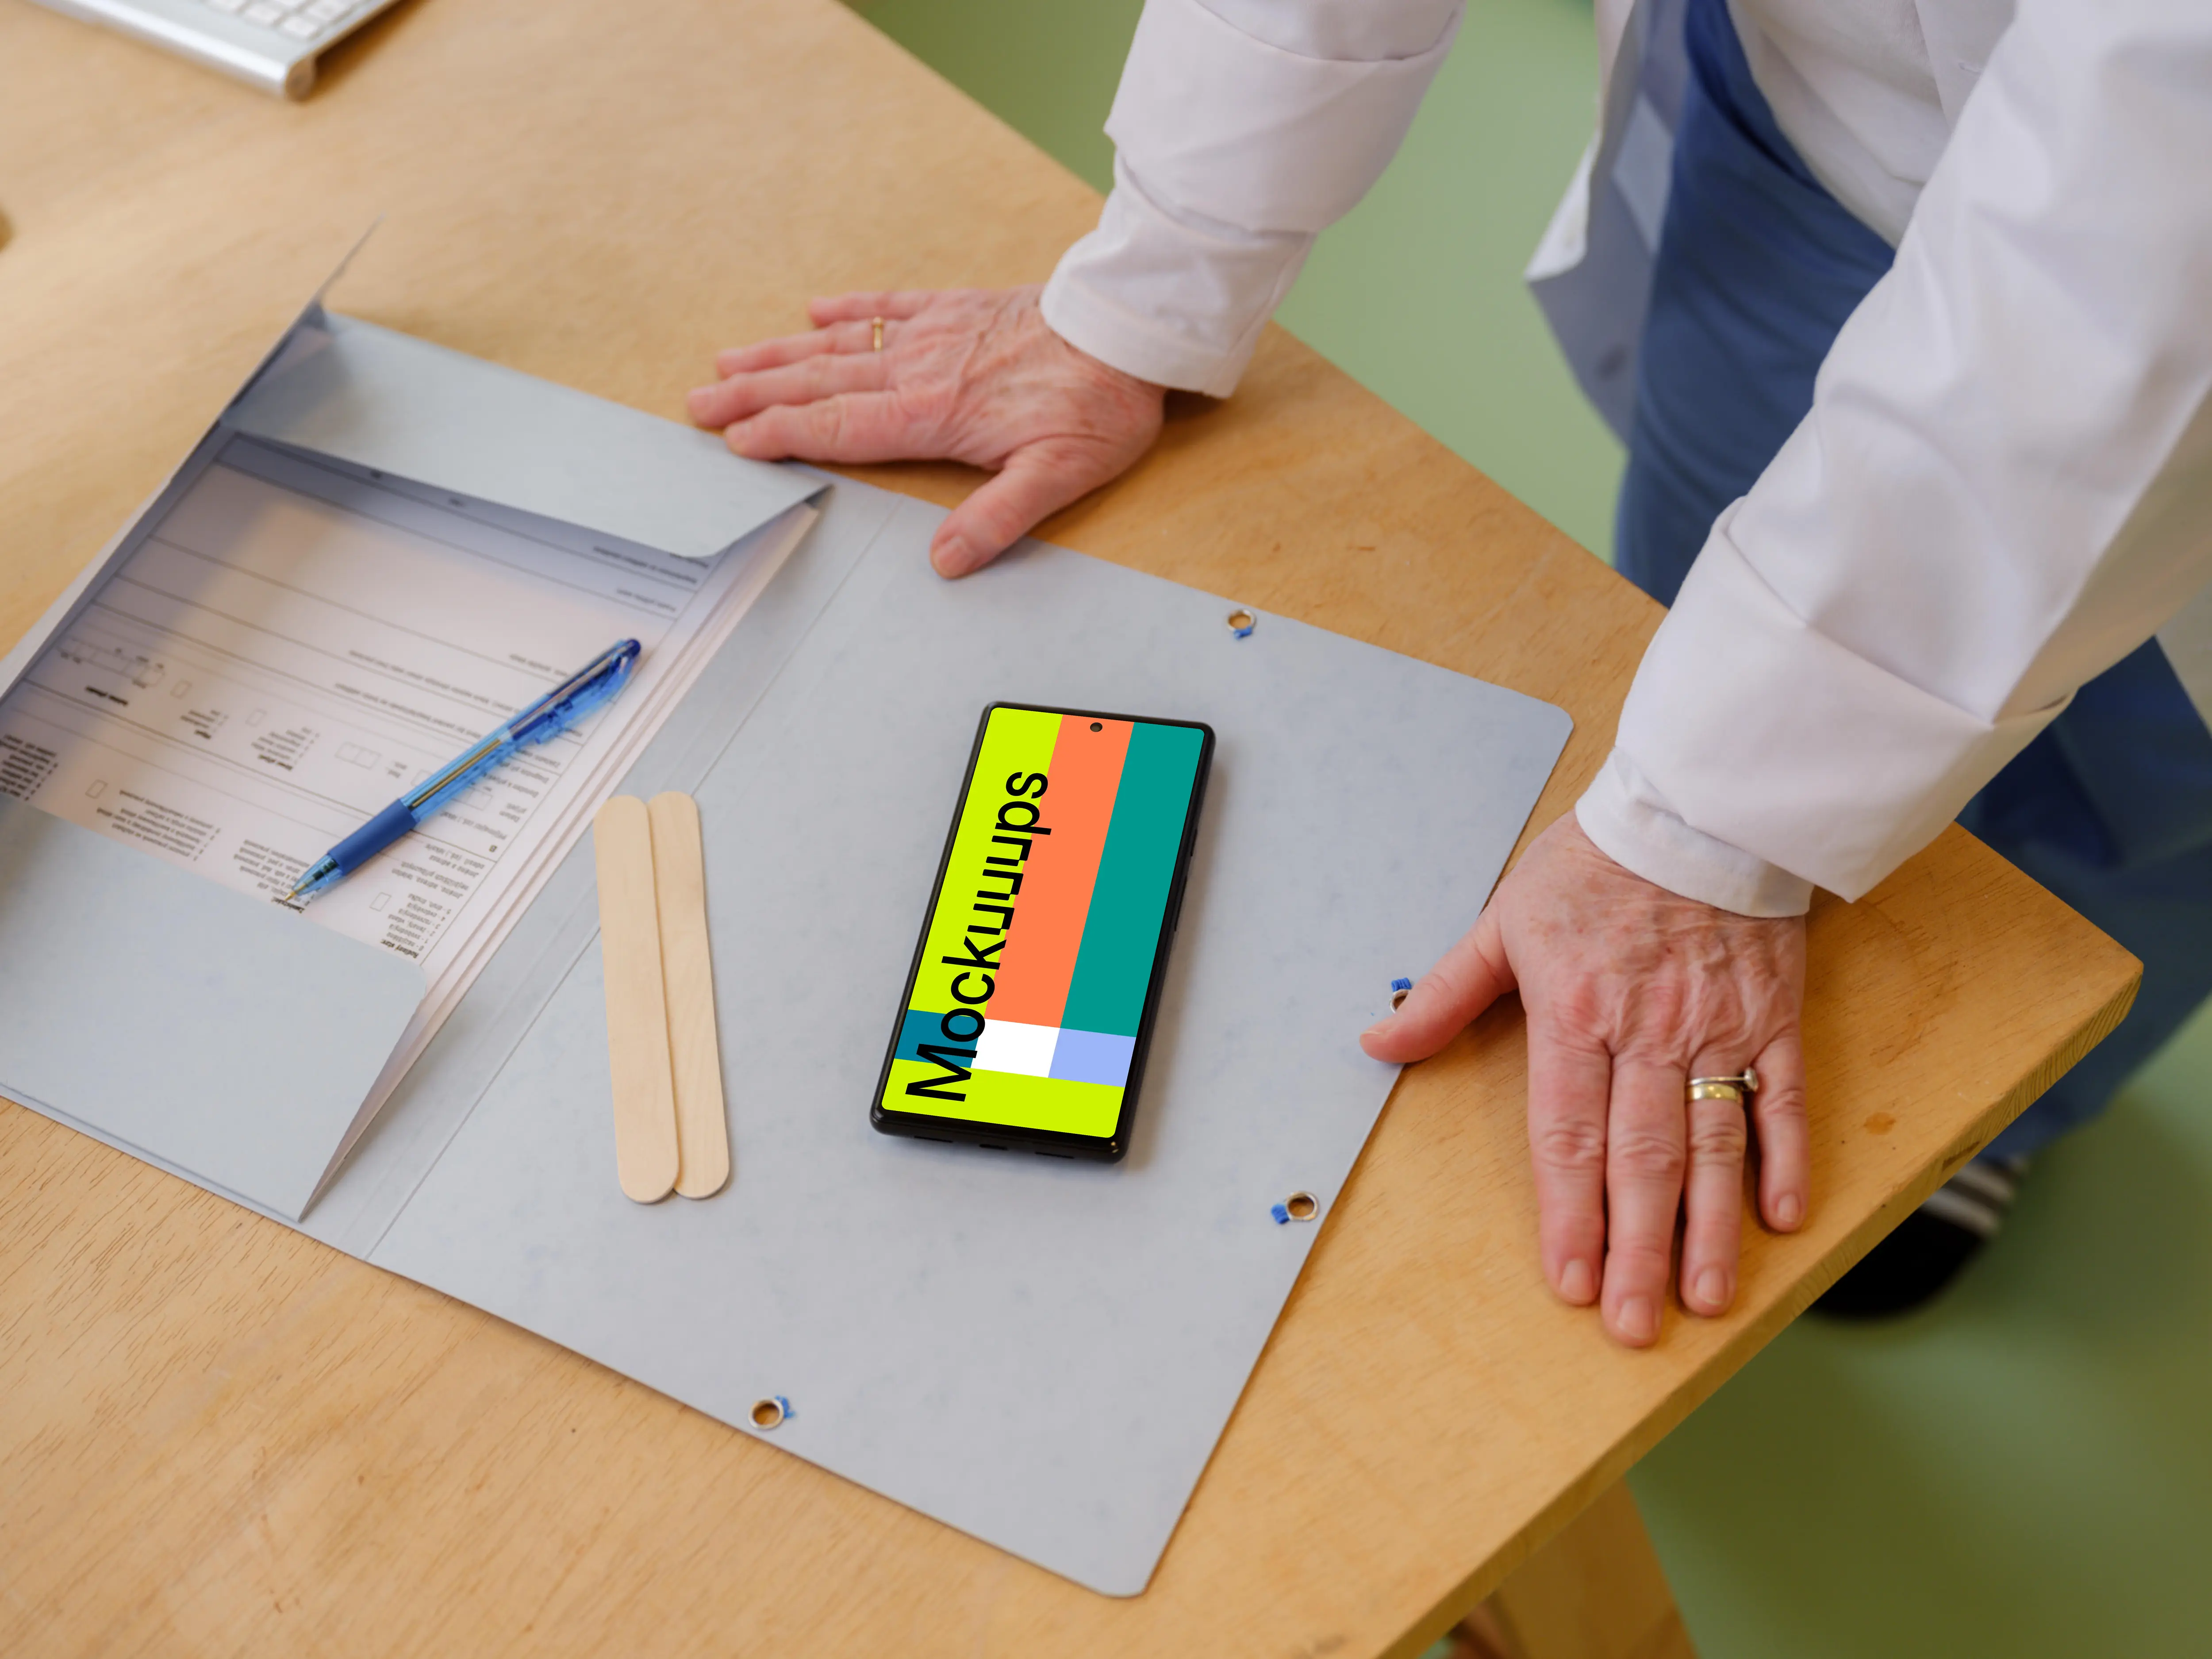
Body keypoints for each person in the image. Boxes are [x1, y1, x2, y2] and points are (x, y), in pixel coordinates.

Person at [688, 0, 2212, 1342]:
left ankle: (2018, 1111)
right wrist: (1157, 276)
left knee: (2126, 810)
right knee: (1695, 594)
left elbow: (2148, 241)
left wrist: (1705, 833)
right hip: (1817, 113)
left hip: (2164, 278)